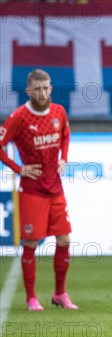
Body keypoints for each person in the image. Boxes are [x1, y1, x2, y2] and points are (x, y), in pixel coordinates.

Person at [0, 69, 77, 311]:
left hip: (56, 188)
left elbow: (65, 133)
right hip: (32, 190)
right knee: (31, 242)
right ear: (28, 90)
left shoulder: (58, 112)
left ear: (51, 88)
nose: (42, 92)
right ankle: (31, 297)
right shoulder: (19, 117)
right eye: (38, 88)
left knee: (64, 239)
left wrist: (64, 157)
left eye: (46, 88)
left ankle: (60, 294)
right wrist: (18, 169)